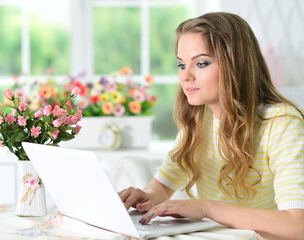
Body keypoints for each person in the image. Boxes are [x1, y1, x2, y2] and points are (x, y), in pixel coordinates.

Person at [119, 12, 304, 240]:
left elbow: (298, 225)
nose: (186, 76)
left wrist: (207, 208)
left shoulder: (282, 123)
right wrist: (146, 195)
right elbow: (163, 185)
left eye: (201, 63)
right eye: (181, 64)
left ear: (236, 65)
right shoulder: (199, 118)